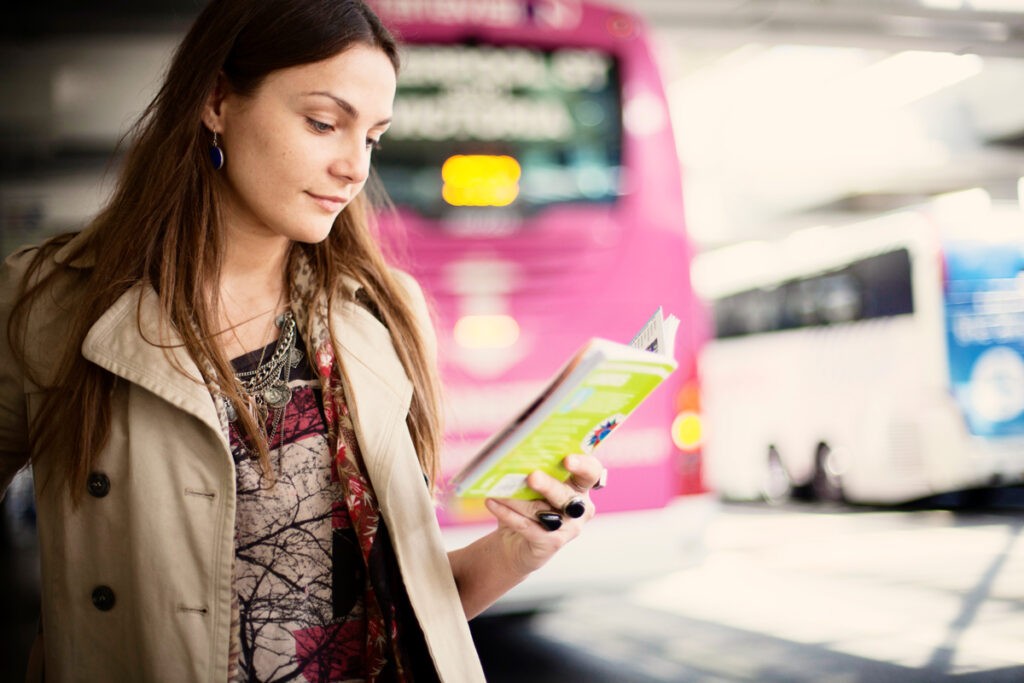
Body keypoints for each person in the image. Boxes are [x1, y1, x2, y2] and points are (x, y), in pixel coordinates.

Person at [0, 1, 606, 680]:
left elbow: (408, 609)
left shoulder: (383, 314)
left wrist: (521, 547)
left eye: (373, 137)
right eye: (324, 123)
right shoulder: (51, 304)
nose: (354, 166)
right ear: (216, 100)